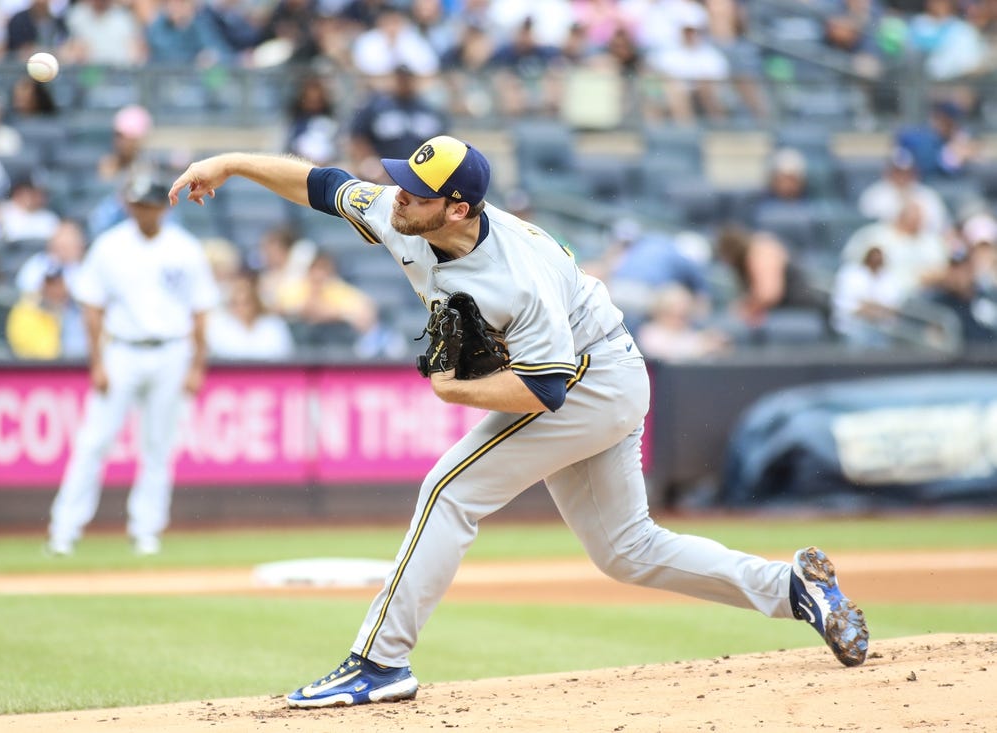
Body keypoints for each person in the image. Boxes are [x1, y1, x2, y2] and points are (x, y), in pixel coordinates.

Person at [168, 134, 870, 707]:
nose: (397, 195)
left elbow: (545, 390)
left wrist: (459, 392)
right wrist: (230, 162)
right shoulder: (403, 212)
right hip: (597, 374)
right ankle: (791, 587)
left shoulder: (517, 274)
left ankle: (381, 661)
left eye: (415, 190)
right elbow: (319, 184)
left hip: (590, 376)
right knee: (625, 549)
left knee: (450, 488)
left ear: (455, 209)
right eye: (401, 182)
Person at [46, 175, 220, 557]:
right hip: (121, 350)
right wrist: (97, 361)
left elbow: (201, 310)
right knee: (94, 441)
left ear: (164, 206)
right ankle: (64, 530)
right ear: (128, 205)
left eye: (153, 203)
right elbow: (91, 307)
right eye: (140, 203)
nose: (146, 210)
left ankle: (146, 530)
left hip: (171, 350)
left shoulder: (185, 248)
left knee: (158, 446)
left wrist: (196, 365)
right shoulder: (110, 246)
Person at [206, 271, 294, 360]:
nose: (240, 308)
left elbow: (285, 356)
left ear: (255, 303)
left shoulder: (274, 325)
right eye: (235, 303)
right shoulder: (218, 327)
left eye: (246, 303)